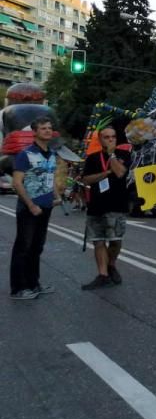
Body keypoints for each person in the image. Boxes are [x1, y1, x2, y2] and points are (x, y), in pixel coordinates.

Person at [8, 117, 65, 300]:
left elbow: (49, 178)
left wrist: (56, 196)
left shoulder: (51, 154)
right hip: (29, 208)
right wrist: (31, 205)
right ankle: (18, 288)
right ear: (35, 132)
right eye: (43, 128)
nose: (48, 131)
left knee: (37, 247)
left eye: (49, 128)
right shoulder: (26, 154)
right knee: (23, 247)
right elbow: (17, 183)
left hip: (46, 207)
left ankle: (34, 283)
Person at [78, 127, 132, 290]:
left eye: (113, 137)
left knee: (115, 240)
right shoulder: (93, 158)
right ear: (100, 140)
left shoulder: (124, 156)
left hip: (116, 205)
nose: (110, 140)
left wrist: (111, 155)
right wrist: (106, 172)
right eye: (106, 137)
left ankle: (111, 264)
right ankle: (102, 275)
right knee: (98, 241)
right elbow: (87, 179)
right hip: (96, 205)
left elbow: (120, 172)